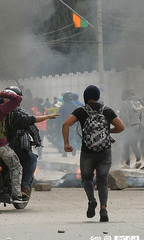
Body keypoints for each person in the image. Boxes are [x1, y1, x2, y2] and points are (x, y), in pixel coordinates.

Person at [63, 85, 124, 222]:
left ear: (85, 97)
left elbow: (66, 124)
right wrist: (107, 132)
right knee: (102, 181)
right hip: (105, 151)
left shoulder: (80, 111)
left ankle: (91, 200)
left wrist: (66, 143)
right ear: (98, 96)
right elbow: (121, 127)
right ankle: (103, 209)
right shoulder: (107, 110)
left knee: (87, 178)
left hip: (87, 151)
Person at [4, 87, 58, 198]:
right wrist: (37, 141)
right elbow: (32, 124)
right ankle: (23, 186)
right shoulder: (19, 113)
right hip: (14, 148)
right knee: (32, 159)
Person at [119, 89, 143, 169]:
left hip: (130, 126)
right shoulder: (135, 103)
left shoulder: (124, 104)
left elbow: (125, 116)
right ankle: (138, 161)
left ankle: (127, 163)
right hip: (137, 125)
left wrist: (127, 127)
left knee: (126, 144)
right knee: (134, 144)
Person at [58, 92, 80, 156]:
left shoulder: (63, 106)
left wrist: (55, 123)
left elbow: (59, 115)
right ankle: (74, 146)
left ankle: (64, 153)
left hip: (64, 126)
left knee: (64, 138)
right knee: (72, 138)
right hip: (73, 125)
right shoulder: (75, 106)